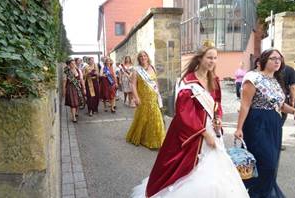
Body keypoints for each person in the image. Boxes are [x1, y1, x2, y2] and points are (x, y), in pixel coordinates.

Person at [131, 42, 249, 198]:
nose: (212, 61)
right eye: (209, 57)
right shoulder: (188, 82)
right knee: (191, 171)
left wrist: (218, 117)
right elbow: (185, 113)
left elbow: (217, 104)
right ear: (200, 59)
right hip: (194, 133)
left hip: (212, 129)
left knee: (216, 173)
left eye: (215, 58)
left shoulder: (214, 80)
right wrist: (206, 134)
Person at [234, 49, 295, 198]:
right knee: (265, 164)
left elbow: (280, 105)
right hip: (257, 124)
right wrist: (239, 128)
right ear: (263, 61)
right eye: (273, 58)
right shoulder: (252, 77)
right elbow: (245, 105)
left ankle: (265, 193)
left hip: (274, 125)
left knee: (272, 165)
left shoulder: (275, 81)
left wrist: (293, 110)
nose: (277, 61)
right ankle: (258, 194)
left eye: (279, 58)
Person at [126, 50, 165, 149]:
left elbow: (155, 82)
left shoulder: (152, 67)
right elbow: (133, 85)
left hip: (153, 97)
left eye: (145, 56)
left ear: (147, 57)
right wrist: (136, 97)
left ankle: (157, 139)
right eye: (141, 56)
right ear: (139, 59)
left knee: (156, 117)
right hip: (143, 98)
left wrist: (158, 94)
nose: (143, 58)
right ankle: (143, 137)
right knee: (143, 118)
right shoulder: (136, 70)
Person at [63, 58, 86, 122]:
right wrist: (64, 90)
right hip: (70, 88)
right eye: (72, 64)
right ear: (69, 65)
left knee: (78, 101)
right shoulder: (67, 72)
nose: (73, 65)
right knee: (73, 103)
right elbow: (64, 81)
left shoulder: (78, 70)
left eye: (74, 63)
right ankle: (73, 117)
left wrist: (84, 88)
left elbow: (81, 80)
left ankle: (76, 112)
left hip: (78, 87)